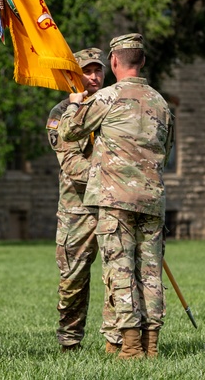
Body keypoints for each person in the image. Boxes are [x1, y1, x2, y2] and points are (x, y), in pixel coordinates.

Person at [58, 34, 174, 360]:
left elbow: (69, 131)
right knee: (150, 273)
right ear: (143, 62)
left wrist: (74, 105)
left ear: (114, 62)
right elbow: (166, 149)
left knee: (119, 271)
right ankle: (152, 346)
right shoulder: (161, 103)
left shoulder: (107, 98)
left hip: (115, 200)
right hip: (152, 200)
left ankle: (131, 346)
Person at [46, 47, 112, 353]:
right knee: (73, 277)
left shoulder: (113, 107)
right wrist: (112, 178)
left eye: (98, 70)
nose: (94, 76)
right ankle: (70, 341)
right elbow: (70, 164)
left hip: (113, 205)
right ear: (74, 74)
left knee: (118, 273)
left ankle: (118, 339)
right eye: (88, 71)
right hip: (78, 208)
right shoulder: (61, 114)